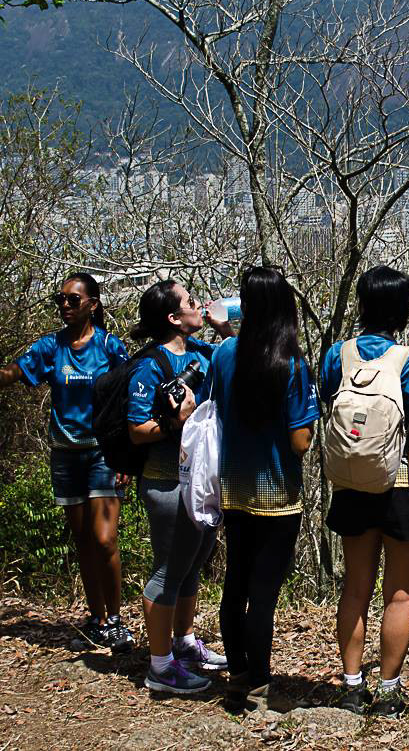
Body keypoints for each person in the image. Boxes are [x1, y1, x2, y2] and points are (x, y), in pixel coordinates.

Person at [319, 266, 409, 716]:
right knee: (399, 593)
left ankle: (352, 685)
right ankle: (389, 691)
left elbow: (327, 402)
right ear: (404, 310)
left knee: (355, 587)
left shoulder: (338, 354)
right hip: (402, 483)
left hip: (352, 481)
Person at [199, 267, 319, 712]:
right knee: (264, 594)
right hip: (278, 496)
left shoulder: (224, 353)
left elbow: (212, 406)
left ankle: (239, 673)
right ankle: (260, 683)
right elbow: (299, 441)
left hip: (232, 489)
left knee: (235, 585)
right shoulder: (292, 363)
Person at [0, 273, 133, 651]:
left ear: (93, 303)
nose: (64, 306)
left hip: (102, 453)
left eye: (73, 300)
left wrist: (125, 453)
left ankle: (117, 619)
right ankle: (97, 619)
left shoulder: (110, 347)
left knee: (105, 539)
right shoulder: (49, 348)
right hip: (65, 455)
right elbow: (14, 373)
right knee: (84, 542)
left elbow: (127, 400)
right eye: (60, 300)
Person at [127, 279, 232, 694]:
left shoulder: (201, 353)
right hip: (167, 482)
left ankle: (183, 644)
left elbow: (237, 356)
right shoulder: (149, 366)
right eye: (191, 301)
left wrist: (223, 326)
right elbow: (137, 429)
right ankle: (160, 666)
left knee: (191, 566)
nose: (199, 303)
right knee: (168, 571)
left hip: (199, 481)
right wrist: (177, 421)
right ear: (173, 318)